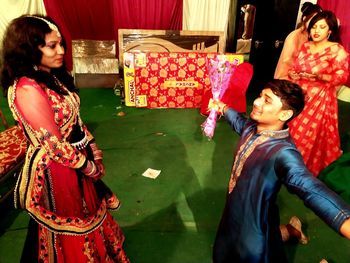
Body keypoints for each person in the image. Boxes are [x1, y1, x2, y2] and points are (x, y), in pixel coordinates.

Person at [0, 15, 130, 262]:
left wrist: (90, 143)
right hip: (56, 170)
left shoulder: (51, 74)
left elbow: (75, 118)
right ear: (28, 48)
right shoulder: (27, 88)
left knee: (90, 214)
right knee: (73, 223)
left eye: (61, 44)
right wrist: (89, 166)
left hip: (76, 162)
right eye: (52, 46)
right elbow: (54, 145)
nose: (60, 51)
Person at [210, 79, 350, 263]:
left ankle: (293, 231)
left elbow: (310, 188)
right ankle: (293, 230)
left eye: (267, 100)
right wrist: (222, 107)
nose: (257, 102)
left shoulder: (283, 153)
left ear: (284, 114)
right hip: (234, 214)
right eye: (260, 95)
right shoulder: (251, 128)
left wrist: (344, 220)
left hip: (253, 228)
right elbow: (237, 120)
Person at [287, 10, 349, 176]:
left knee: (308, 134)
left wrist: (320, 76)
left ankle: (300, 168)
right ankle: (285, 162)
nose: (316, 31)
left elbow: (342, 77)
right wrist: (293, 73)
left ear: (330, 31)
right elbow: (294, 67)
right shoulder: (305, 46)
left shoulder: (336, 50)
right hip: (298, 95)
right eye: (314, 27)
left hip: (320, 98)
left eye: (322, 27)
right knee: (291, 129)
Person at [274, 2, 322, 79]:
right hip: (286, 78)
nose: (315, 23)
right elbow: (287, 62)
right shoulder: (295, 36)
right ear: (304, 18)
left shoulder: (312, 36)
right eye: (313, 19)